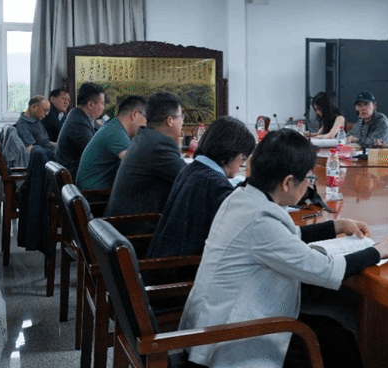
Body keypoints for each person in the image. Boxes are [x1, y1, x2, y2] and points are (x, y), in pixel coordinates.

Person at [179, 129, 388, 368]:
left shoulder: (243, 198)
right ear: (288, 182)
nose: (309, 184)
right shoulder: (260, 219)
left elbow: (285, 238)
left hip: (212, 327)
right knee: (339, 342)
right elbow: (325, 269)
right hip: (229, 341)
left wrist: (336, 226)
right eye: (309, 178)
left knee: (332, 332)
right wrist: (380, 250)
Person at [145, 116, 256, 283]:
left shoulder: (191, 170)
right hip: (179, 281)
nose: (241, 163)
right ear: (229, 153)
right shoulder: (216, 186)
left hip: (162, 269)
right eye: (243, 157)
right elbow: (240, 235)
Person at [104, 92, 187, 230]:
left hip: (120, 226)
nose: (182, 122)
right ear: (170, 120)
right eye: (181, 117)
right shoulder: (158, 145)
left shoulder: (144, 136)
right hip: (137, 233)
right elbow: (190, 178)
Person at [76, 95, 148, 191]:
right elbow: (136, 164)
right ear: (134, 114)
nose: (147, 124)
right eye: (147, 117)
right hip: (95, 194)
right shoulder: (116, 133)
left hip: (92, 190)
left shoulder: (114, 126)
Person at [55, 83, 106, 179]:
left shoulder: (79, 115)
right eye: (102, 103)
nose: (104, 107)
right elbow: (95, 153)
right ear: (90, 105)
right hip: (77, 177)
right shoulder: (78, 123)